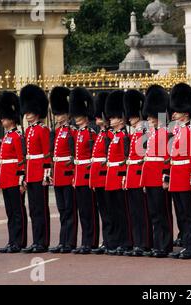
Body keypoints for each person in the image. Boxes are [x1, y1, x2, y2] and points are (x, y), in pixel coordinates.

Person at [166, 83, 191, 259]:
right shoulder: (177, 130)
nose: (174, 114)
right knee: (181, 214)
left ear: (185, 113)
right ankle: (186, 245)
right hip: (176, 178)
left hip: (186, 177)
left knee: (189, 215)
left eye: (177, 112)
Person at [141, 85, 173, 258]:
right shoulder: (150, 133)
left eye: (152, 116)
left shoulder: (167, 132)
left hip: (160, 177)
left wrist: (165, 177)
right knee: (154, 213)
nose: (149, 118)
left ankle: (165, 245)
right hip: (150, 177)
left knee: (163, 212)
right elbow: (147, 157)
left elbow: (167, 158)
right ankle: (157, 243)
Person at [19, 84, 51, 254]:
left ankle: (42, 241)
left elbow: (46, 154)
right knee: (33, 210)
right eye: (26, 112)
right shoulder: (29, 131)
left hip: (39, 174)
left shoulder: (42, 130)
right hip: (31, 174)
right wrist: (23, 176)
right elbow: (26, 156)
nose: (27, 115)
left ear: (37, 112)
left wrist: (46, 175)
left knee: (40, 209)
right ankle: (36, 240)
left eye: (30, 112)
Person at [0, 91, 27, 253]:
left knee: (17, 211)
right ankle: (12, 240)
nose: (2, 119)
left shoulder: (17, 136)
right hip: (7, 179)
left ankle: (19, 241)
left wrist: (21, 179)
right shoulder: (7, 136)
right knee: (10, 212)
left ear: (12, 118)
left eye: (4, 117)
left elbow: (21, 160)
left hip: (15, 179)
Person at [69, 87, 100, 255]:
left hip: (87, 175)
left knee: (90, 210)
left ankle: (92, 241)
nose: (76, 117)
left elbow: (95, 156)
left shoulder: (91, 132)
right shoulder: (77, 134)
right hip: (79, 175)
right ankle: (85, 241)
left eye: (78, 114)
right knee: (82, 211)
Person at [49, 86, 78, 254]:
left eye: (61, 114)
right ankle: (62, 240)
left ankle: (70, 242)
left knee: (69, 209)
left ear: (67, 114)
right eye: (57, 114)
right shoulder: (57, 131)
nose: (58, 117)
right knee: (61, 210)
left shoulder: (72, 131)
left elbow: (74, 155)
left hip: (68, 175)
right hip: (59, 175)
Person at [123, 89, 153, 257]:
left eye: (132, 114)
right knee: (134, 212)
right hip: (131, 174)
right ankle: (137, 242)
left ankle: (145, 243)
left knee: (142, 212)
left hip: (140, 174)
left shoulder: (144, 131)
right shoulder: (135, 132)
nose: (129, 118)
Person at [104, 90, 133, 256]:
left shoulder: (123, 136)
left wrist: (123, 178)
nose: (111, 120)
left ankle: (126, 241)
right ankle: (115, 241)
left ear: (121, 119)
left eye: (114, 117)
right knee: (114, 212)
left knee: (122, 212)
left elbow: (125, 158)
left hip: (119, 178)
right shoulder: (114, 135)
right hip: (111, 177)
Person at [90, 92, 111, 255]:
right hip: (99, 178)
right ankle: (107, 240)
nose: (97, 120)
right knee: (103, 211)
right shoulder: (100, 135)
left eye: (99, 117)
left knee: (110, 211)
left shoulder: (110, 135)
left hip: (107, 178)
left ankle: (111, 240)